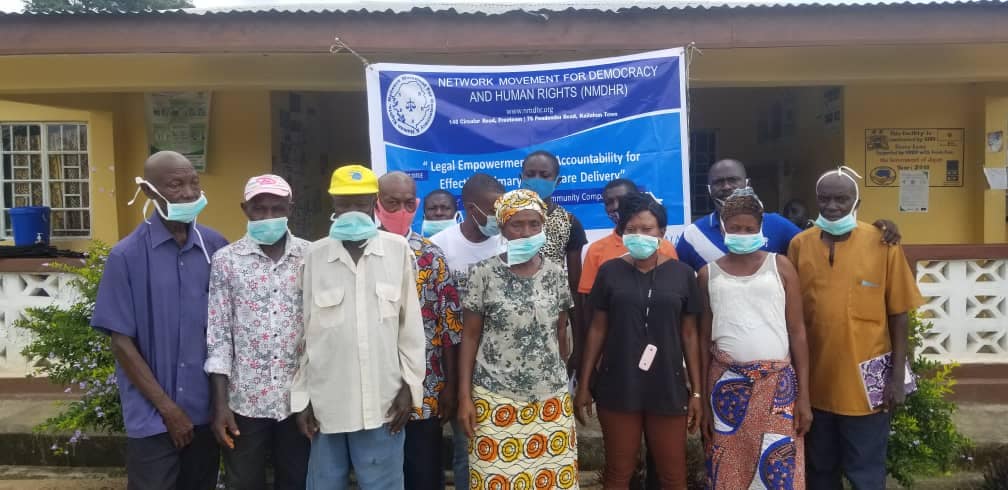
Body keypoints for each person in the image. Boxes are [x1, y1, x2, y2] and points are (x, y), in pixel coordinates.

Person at [92, 151, 228, 490]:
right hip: (153, 418)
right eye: (175, 185)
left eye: (193, 183)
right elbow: (121, 342)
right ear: (150, 192)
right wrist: (168, 409)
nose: (188, 193)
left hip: (204, 412)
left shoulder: (215, 247)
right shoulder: (126, 256)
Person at [292, 164, 426, 490]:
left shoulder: (397, 251)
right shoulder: (314, 255)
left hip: (383, 403)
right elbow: (304, 333)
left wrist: (411, 387)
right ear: (333, 203)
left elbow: (410, 329)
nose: (352, 211)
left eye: (361, 202)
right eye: (344, 203)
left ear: (374, 203)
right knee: (324, 484)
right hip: (328, 405)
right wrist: (302, 398)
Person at [788, 167, 923, 489]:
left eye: (841, 199)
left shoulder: (883, 242)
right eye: (825, 199)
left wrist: (896, 378)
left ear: (856, 200)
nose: (832, 206)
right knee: (820, 471)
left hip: (868, 384)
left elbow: (899, 314)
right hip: (815, 381)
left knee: (866, 473)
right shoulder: (799, 245)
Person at [574, 192, 703, 489]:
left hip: (668, 385)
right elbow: (597, 329)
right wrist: (583, 384)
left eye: (647, 229)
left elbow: (690, 334)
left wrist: (696, 392)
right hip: (619, 383)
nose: (639, 235)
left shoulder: (683, 275)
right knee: (620, 471)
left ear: (661, 232)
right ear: (622, 232)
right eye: (631, 230)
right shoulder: (609, 272)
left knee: (672, 474)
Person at [457, 189, 579, 490]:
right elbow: (470, 337)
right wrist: (464, 397)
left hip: (549, 398)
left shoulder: (555, 273)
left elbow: (559, 331)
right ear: (502, 228)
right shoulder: (483, 273)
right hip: (495, 395)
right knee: (495, 478)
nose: (526, 231)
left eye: (534, 224)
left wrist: (564, 382)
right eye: (517, 224)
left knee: (551, 481)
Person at [697, 188, 812, 489]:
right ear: (722, 228)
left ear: (761, 229)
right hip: (725, 385)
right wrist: (703, 401)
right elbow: (701, 338)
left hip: (778, 387)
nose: (742, 233)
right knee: (729, 471)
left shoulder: (781, 266)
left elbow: (798, 331)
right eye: (734, 228)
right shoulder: (708, 275)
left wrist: (804, 397)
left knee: (779, 471)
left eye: (749, 229)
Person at [204, 174, 309, 490]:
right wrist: (221, 406)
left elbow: (321, 331)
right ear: (244, 209)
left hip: (298, 401)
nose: (268, 216)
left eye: (277, 208)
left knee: (297, 481)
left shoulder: (311, 255)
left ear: (291, 208)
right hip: (244, 403)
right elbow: (219, 334)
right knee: (244, 482)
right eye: (259, 209)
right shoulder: (227, 261)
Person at [375, 172, 463, 490]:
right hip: (374, 388)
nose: (401, 209)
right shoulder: (361, 252)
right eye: (392, 202)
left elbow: (450, 327)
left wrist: (450, 387)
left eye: (409, 203)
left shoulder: (431, 256)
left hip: (426, 390)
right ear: (377, 203)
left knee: (423, 473)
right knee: (380, 474)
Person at [675, 159, 901, 271]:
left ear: (747, 183)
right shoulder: (693, 236)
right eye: (718, 182)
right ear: (708, 189)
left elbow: (819, 244)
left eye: (732, 180)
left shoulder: (777, 225)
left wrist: (875, 229)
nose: (726, 187)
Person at [430, 172, 506, 488]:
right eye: (492, 210)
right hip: (457, 358)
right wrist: (449, 382)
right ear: (471, 208)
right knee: (467, 450)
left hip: (501, 362)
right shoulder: (440, 246)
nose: (497, 217)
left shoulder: (508, 242)